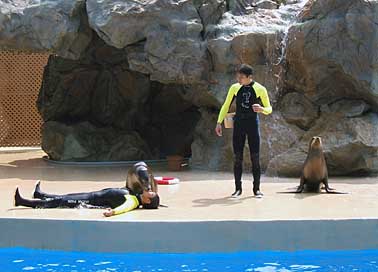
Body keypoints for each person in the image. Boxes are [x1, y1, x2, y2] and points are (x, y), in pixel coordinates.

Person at [215, 64, 272, 198]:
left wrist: (262, 109)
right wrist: (219, 122)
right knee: (237, 158)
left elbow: (269, 109)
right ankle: (237, 189)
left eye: (241, 77)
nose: (238, 79)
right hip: (239, 124)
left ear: (249, 77)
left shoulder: (260, 89)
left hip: (252, 124)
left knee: (255, 158)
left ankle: (256, 189)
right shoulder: (234, 88)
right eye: (238, 76)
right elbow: (226, 105)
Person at [14, 181, 160, 217]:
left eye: (151, 194)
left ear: (147, 201)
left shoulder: (133, 202)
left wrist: (113, 213)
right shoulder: (134, 194)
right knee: (66, 197)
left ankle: (22, 202)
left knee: (58, 203)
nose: (150, 191)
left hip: (89, 201)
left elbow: (124, 208)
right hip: (92, 195)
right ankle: (40, 195)